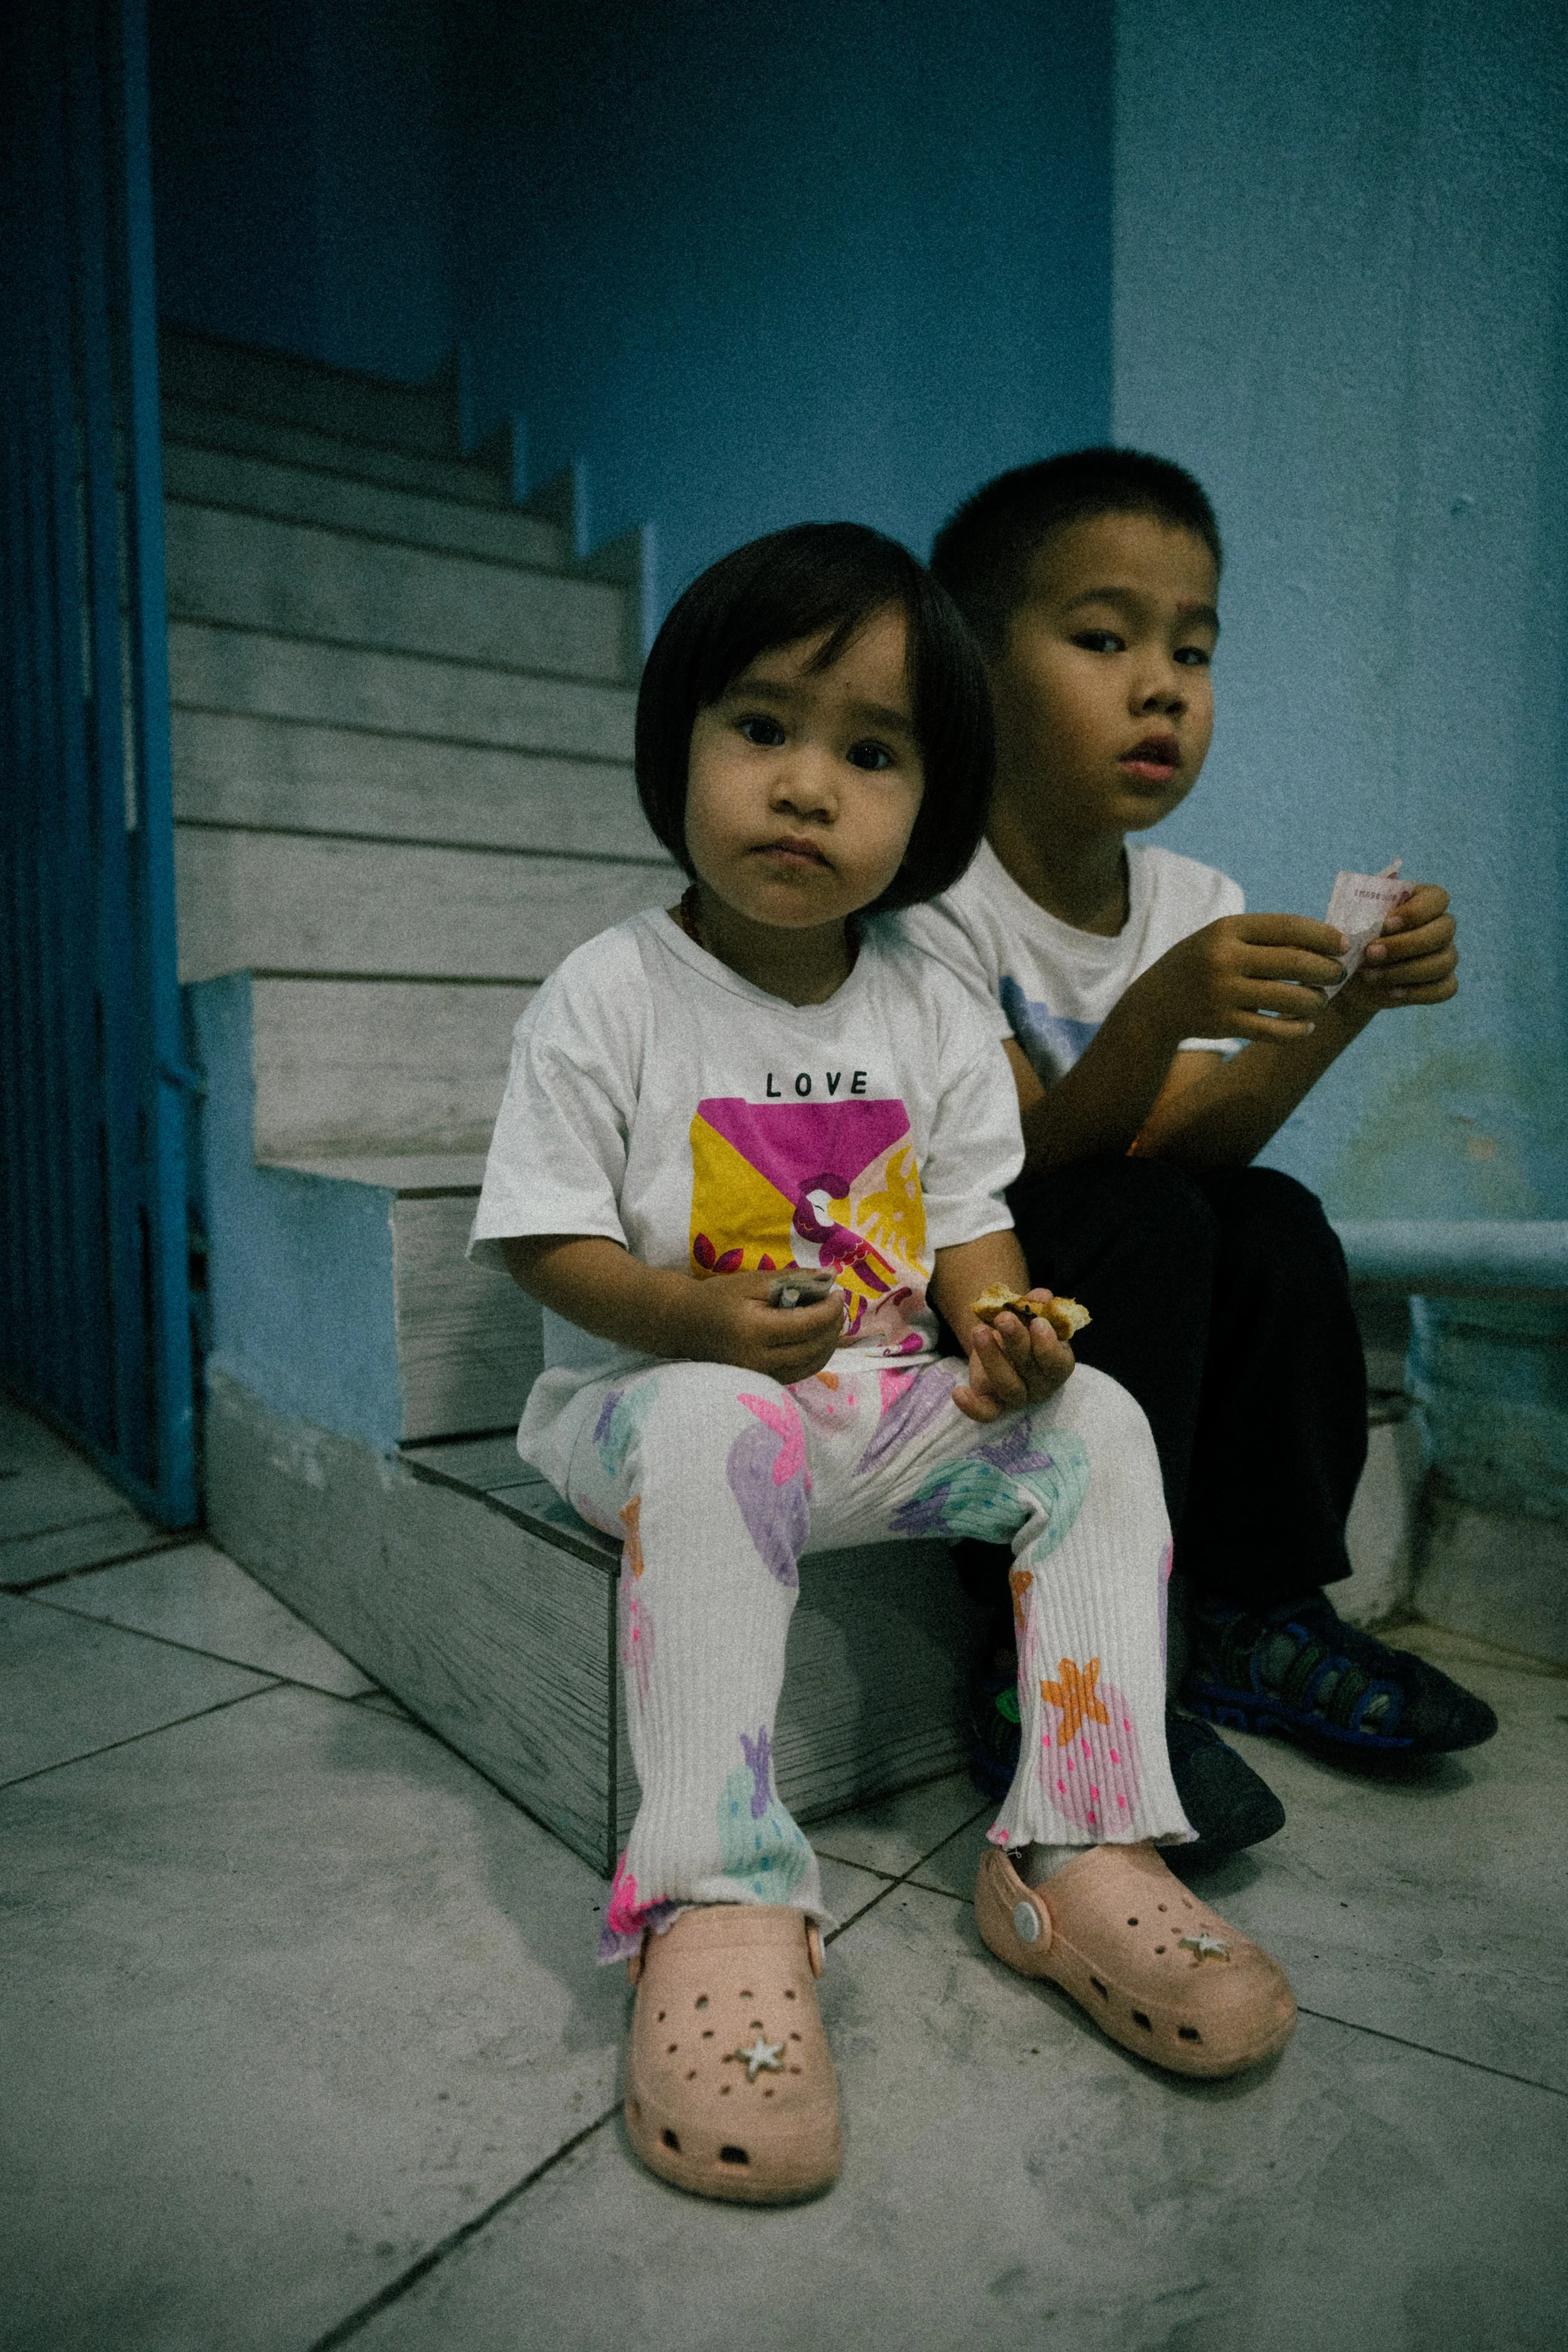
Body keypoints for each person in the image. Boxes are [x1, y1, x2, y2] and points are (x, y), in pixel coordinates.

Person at [470, 522, 1297, 2207]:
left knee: (1105, 1418)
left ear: (931, 808)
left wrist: (1005, 1323)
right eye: (759, 727)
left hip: (866, 1412)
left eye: (870, 752)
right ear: (674, 746)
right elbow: (540, 1240)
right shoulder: (608, 992)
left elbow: (974, 1216)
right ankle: (718, 1897)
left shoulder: (926, 993)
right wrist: (699, 1322)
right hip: (655, 1409)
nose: (804, 786)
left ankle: (1075, 1836)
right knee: (715, 1415)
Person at [904, 450, 1495, 1833]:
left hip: (1115, 1256)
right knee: (1145, 1220)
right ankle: (1049, 1660)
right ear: (971, 677)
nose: (1160, 684)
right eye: (1102, 638)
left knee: (1273, 1217)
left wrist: (1346, 1006)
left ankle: (1248, 1611)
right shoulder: (931, 898)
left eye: (1193, 648)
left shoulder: (1185, 892)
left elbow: (1195, 1142)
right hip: (983, 1306)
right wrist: (1159, 1009)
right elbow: (1000, 1170)